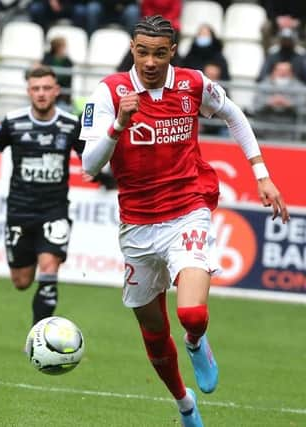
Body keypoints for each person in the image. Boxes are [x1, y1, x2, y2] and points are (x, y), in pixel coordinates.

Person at [79, 15, 289, 427]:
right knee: (154, 334)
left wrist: (261, 174)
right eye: (143, 52)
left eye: (160, 53)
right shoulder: (107, 92)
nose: (151, 62)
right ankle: (184, 402)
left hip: (187, 209)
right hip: (137, 226)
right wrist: (119, 124)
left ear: (172, 51)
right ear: (132, 49)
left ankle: (196, 341)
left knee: (191, 314)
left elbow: (235, 115)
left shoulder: (193, 84)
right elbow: (88, 165)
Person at [0, 65, 84, 326]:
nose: (42, 94)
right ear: (28, 92)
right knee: (21, 282)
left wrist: (100, 175)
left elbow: (90, 158)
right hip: (19, 211)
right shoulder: (13, 122)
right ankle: (33, 260)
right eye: (36, 89)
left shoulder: (70, 125)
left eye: (47, 88)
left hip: (55, 210)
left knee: (49, 270)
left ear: (56, 91)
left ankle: (38, 334)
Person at [253, 61, 305, 141]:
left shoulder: (300, 87)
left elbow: (303, 110)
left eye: (286, 71)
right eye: (279, 70)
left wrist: (289, 104)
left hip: (291, 132)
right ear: (273, 71)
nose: (283, 74)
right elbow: (255, 107)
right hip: (265, 131)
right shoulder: (263, 85)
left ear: (291, 73)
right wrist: (269, 102)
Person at [41, 36, 74, 109]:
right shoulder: (47, 58)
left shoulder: (68, 62)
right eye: (63, 46)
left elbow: (67, 81)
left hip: (62, 96)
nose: (64, 49)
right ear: (57, 47)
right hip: (47, 92)